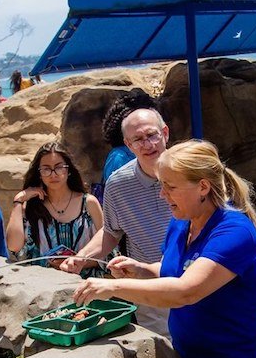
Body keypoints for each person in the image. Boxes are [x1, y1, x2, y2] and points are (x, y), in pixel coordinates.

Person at [74, 140, 256, 358]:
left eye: (170, 187)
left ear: (203, 186)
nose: (162, 194)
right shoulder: (183, 221)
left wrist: (112, 287)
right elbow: (179, 269)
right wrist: (142, 269)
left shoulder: (235, 231)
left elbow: (186, 291)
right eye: (161, 185)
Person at [63, 105, 176, 332]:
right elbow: (111, 231)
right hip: (149, 291)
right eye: (138, 139)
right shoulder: (117, 184)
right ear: (128, 144)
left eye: (152, 135)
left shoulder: (191, 175)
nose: (147, 144)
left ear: (165, 132)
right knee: (166, 356)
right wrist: (82, 257)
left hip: (193, 278)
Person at [7, 141, 102, 270]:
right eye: (46, 169)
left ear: (68, 170)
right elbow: (14, 246)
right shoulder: (32, 207)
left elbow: (106, 251)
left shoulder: (89, 203)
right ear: (39, 174)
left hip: (84, 282)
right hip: (44, 284)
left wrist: (77, 263)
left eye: (58, 167)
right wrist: (18, 201)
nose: (53, 174)